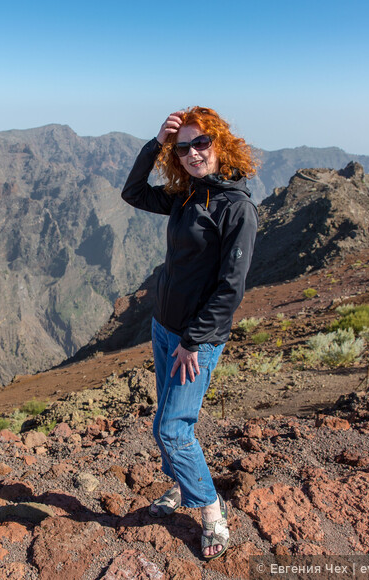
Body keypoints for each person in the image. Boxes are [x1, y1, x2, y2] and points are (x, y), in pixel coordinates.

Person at [121, 107, 258, 560]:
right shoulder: (186, 195)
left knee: (174, 431)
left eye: (202, 144)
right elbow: (133, 192)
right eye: (184, 148)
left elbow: (229, 289)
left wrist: (194, 340)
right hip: (164, 327)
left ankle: (212, 512)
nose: (194, 153)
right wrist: (158, 142)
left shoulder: (236, 208)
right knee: (167, 420)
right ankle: (184, 486)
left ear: (220, 144)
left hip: (193, 341)